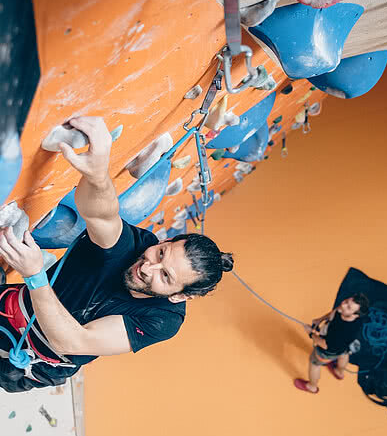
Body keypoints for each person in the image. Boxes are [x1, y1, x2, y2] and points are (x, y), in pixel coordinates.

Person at [0, 116, 233, 393]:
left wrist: (36, 276)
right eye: (160, 253)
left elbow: (73, 341)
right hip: (17, 306)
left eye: (166, 276)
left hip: (36, 360)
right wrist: (97, 174)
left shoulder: (164, 320)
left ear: (180, 295)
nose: (148, 268)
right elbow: (103, 215)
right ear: (165, 240)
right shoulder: (135, 249)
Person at [294, 293, 369, 394]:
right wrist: (320, 319)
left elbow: (325, 345)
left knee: (314, 364)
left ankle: (312, 387)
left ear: (355, 315)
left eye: (348, 307)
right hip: (345, 346)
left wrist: (310, 334)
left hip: (329, 350)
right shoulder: (349, 313)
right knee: (344, 354)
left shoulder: (342, 332)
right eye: (346, 301)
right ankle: (339, 372)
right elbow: (335, 311)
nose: (343, 305)